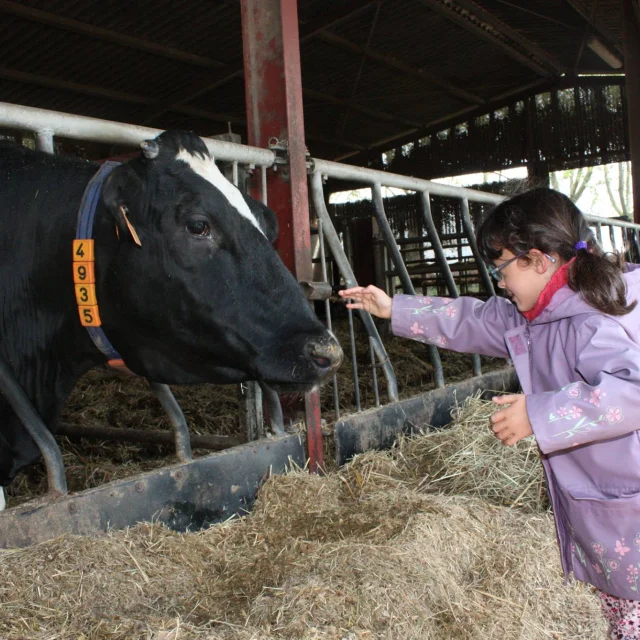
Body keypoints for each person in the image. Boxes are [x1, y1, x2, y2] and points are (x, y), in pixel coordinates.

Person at [339, 187, 640, 639]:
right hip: (606, 499)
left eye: (501, 268)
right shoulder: (538, 313)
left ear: (539, 261)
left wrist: (538, 415)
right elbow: (472, 320)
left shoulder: (592, 321)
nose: (499, 281)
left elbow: (632, 390)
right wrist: (394, 307)